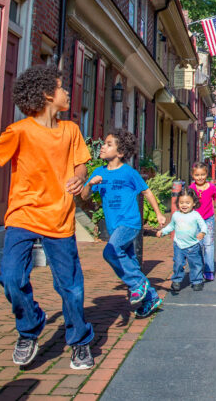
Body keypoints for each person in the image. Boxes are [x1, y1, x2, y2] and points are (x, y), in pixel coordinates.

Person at [0, 64, 95, 370]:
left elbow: (81, 164)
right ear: (46, 95)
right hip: (23, 215)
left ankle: (80, 341)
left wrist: (79, 178)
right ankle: (30, 326)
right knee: (11, 277)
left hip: (59, 218)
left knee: (70, 286)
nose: (67, 92)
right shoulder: (20, 131)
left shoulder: (71, 130)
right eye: (61, 87)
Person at [81, 129, 165, 318]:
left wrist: (159, 214)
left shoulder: (129, 173)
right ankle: (150, 297)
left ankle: (137, 284)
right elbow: (84, 196)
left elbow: (147, 192)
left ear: (120, 153)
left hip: (130, 223)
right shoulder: (98, 172)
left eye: (109, 144)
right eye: (104, 143)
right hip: (114, 226)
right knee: (130, 264)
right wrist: (90, 184)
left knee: (110, 251)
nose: (103, 146)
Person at [156, 188, 207, 293]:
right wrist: (163, 231)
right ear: (178, 203)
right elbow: (171, 226)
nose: (184, 205)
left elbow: (203, 225)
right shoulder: (176, 215)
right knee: (178, 263)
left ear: (193, 203)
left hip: (193, 245)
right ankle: (176, 281)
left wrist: (202, 232)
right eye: (181, 203)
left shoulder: (195, 215)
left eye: (187, 203)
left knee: (196, 264)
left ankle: (197, 281)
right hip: (179, 245)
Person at [189, 162, 216, 281]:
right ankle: (198, 270)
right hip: (195, 221)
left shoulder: (211, 187)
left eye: (202, 174)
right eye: (197, 175)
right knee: (197, 245)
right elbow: (187, 202)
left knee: (208, 244)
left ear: (206, 174)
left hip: (208, 219)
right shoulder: (191, 188)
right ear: (193, 175)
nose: (200, 177)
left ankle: (209, 270)